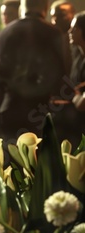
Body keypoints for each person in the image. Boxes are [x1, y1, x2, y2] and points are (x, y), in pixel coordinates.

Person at [0, 0, 66, 145]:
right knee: (42, 160)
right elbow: (61, 74)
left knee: (13, 160)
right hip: (44, 109)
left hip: (10, 108)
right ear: (45, 7)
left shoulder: (3, 34)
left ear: (22, 8)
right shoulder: (54, 33)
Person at [53, 11, 85, 147]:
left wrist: (74, 98)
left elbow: (82, 103)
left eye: (75, 28)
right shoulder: (78, 57)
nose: (70, 31)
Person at [51, 0, 76, 75]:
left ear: (73, 14)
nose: (55, 20)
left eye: (61, 15)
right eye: (53, 16)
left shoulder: (80, 38)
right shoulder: (51, 39)